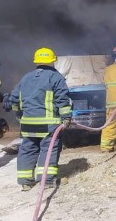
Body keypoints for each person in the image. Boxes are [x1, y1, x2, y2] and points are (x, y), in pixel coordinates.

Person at [10, 47, 72, 190]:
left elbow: (14, 99)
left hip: (27, 123)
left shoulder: (26, 78)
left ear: (36, 61)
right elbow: (62, 100)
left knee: (28, 149)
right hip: (48, 123)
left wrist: (19, 115)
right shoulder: (56, 77)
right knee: (48, 149)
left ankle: (25, 181)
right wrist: (66, 117)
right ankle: (46, 180)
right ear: (52, 61)